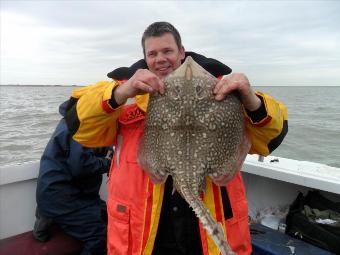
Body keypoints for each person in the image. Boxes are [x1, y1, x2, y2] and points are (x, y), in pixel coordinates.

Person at [64, 22, 288, 255]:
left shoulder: (224, 89)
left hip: (206, 237)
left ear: (181, 52)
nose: (160, 58)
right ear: (145, 58)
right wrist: (121, 92)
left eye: (167, 51)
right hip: (143, 236)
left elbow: (270, 139)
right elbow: (77, 126)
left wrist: (252, 100)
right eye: (153, 53)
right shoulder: (125, 91)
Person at [33, 100, 113, 255]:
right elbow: (81, 166)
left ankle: (47, 216)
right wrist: (108, 163)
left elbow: (100, 145)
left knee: (111, 213)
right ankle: (50, 214)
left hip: (67, 193)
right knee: (99, 236)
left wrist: (108, 152)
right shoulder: (77, 128)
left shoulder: (78, 122)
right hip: (64, 197)